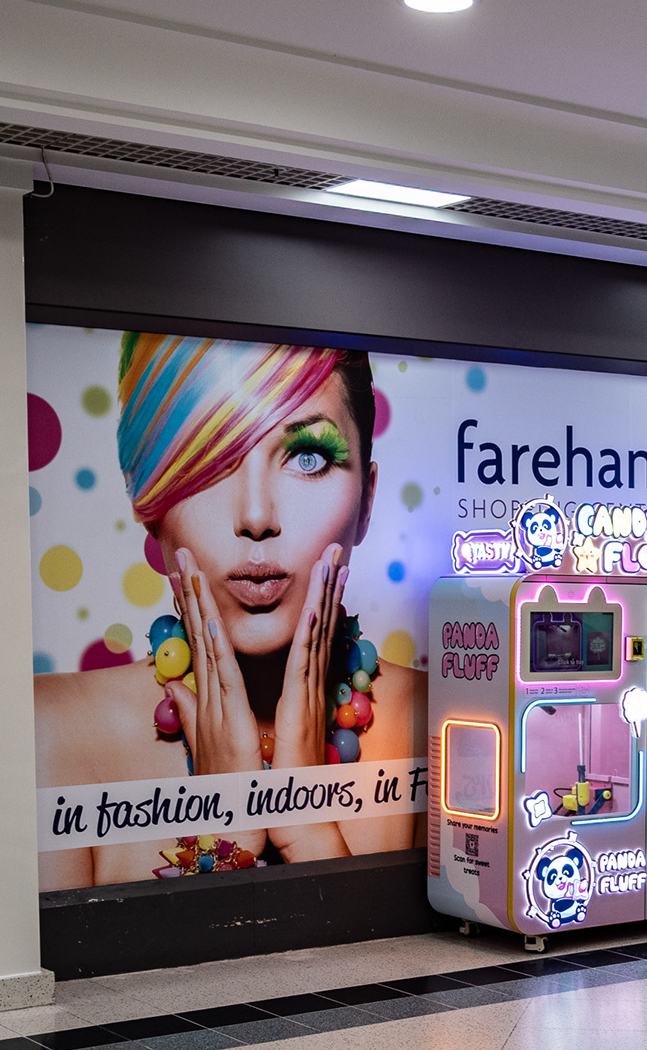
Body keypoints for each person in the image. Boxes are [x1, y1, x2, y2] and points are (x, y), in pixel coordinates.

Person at [36, 335, 426, 889]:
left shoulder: (439, 723)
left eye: (308, 457)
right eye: (210, 457)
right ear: (146, 498)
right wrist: (227, 829)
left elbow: (411, 975)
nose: (257, 516)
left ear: (366, 499)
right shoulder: (52, 733)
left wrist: (309, 827)